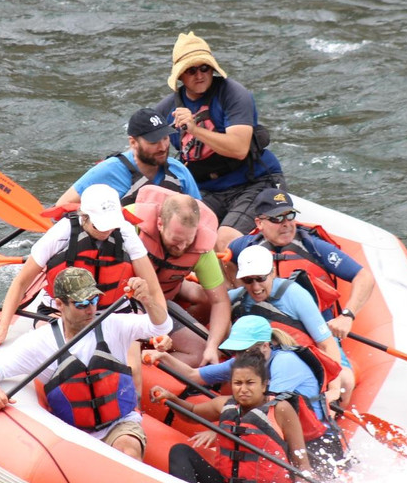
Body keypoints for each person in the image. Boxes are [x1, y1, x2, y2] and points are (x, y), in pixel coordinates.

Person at [0, 268, 172, 461]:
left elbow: (162, 326)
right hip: (72, 431)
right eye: (81, 303)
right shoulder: (41, 342)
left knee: (127, 451)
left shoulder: (113, 325)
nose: (90, 309)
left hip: (119, 423)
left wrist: (147, 300)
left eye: (94, 300)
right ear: (60, 304)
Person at [147, 316, 346, 474]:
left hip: (317, 445)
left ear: (266, 346)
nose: (242, 356)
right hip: (279, 441)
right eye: (238, 350)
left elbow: (267, 413)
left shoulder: (285, 363)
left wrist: (218, 432)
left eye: (247, 349)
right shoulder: (245, 362)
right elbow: (194, 375)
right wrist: (163, 357)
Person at [229, 187, 373, 394]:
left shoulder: (314, 247)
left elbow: (364, 277)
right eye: (277, 218)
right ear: (259, 223)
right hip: (265, 331)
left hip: (315, 330)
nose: (286, 223)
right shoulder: (245, 247)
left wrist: (347, 316)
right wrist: (235, 286)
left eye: (290, 215)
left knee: (345, 382)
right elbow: (226, 260)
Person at [0, 183, 163, 349]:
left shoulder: (125, 231)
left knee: (131, 352)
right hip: (64, 313)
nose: (107, 231)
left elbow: (153, 288)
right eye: (99, 226)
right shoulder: (61, 233)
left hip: (113, 314)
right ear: (84, 217)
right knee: (65, 347)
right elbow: (21, 283)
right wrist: (3, 327)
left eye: (111, 225)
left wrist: (160, 327)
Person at [154, 32, 284, 251]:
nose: (199, 75)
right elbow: (147, 153)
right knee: (177, 232)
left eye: (204, 67)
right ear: (180, 76)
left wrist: (194, 129)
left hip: (253, 183)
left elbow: (239, 149)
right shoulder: (165, 110)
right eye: (191, 70)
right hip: (207, 189)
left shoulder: (233, 94)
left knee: (223, 240)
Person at [151, 347, 312, 483]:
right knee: (180, 452)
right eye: (237, 383)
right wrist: (171, 398)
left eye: (250, 383)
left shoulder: (280, 409)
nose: (243, 389)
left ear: (264, 384)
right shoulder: (225, 404)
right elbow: (192, 413)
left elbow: (302, 465)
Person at [229, 244, 349, 405]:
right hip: (267, 363)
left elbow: (327, 344)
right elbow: (213, 300)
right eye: (248, 280)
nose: (255, 287)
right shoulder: (237, 297)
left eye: (261, 278)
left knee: (346, 382)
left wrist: (333, 389)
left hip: (305, 360)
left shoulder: (295, 295)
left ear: (272, 273)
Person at [130, 185, 230, 365]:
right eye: (176, 240)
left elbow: (220, 301)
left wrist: (212, 346)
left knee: (201, 350)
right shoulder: (130, 223)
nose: (182, 247)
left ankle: (149, 363)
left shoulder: (202, 248)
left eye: (188, 241)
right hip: (125, 300)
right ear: (160, 224)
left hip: (163, 299)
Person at [55, 108, 201, 208]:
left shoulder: (179, 171)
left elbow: (202, 217)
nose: (162, 147)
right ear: (133, 142)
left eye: (165, 138)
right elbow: (62, 206)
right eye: (153, 142)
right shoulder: (108, 170)